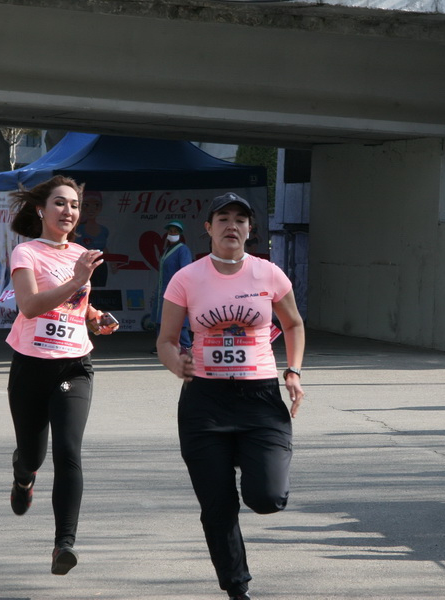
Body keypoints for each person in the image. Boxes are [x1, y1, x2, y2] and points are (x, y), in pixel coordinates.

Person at [156, 192, 305, 600]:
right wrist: (176, 363)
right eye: (223, 218)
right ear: (208, 228)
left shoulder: (269, 274)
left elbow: (292, 324)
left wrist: (292, 370)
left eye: (241, 219)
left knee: (267, 498)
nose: (232, 225)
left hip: (260, 398)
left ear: (250, 230)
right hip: (205, 402)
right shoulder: (186, 278)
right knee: (218, 506)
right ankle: (237, 588)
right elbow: (167, 340)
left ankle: (254, 466)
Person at [4, 175, 118, 575]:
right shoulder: (26, 253)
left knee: (68, 451)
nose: (68, 211)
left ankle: (63, 545)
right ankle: (23, 476)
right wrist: (76, 280)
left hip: (73, 368)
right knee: (34, 454)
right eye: (60, 203)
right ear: (41, 210)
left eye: (74, 205)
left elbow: (79, 305)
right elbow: (31, 306)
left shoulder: (83, 253)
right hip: (31, 367)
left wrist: (96, 318)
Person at [153, 220, 192, 352]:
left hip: (176, 290)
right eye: (170, 231)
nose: (172, 233)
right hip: (163, 289)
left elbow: (185, 271)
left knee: (178, 319)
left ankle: (186, 345)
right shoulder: (166, 250)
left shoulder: (183, 250)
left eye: (175, 231)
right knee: (161, 319)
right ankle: (162, 345)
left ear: (180, 233)